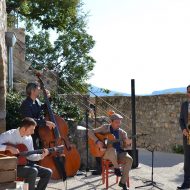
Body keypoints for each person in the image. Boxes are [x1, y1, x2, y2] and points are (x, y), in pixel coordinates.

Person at [0, 117, 52, 190]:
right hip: (9, 167)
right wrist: (9, 148)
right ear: (24, 129)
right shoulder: (9, 134)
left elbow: (30, 156)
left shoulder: (29, 138)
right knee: (33, 171)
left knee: (48, 172)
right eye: (32, 129)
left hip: (23, 164)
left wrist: (41, 155)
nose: (33, 132)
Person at [88, 113, 133, 190]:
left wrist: (128, 143)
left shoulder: (122, 133)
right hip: (107, 153)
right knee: (112, 150)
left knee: (130, 159)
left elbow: (127, 146)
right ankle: (116, 168)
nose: (119, 124)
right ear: (111, 122)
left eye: (120, 122)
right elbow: (90, 132)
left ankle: (122, 183)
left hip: (120, 153)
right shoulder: (105, 128)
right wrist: (97, 141)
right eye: (116, 122)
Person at [20, 82, 55, 149]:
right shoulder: (26, 104)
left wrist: (48, 98)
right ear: (33, 91)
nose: (39, 90)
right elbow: (30, 121)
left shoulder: (36, 101)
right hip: (30, 134)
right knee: (33, 152)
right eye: (38, 89)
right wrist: (46, 122)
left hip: (39, 131)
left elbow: (45, 107)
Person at [178, 85, 190, 189]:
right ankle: (186, 183)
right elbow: (181, 119)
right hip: (187, 136)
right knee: (187, 160)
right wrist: (184, 129)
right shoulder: (185, 105)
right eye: (189, 92)